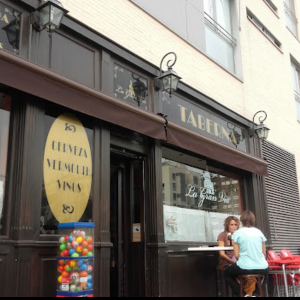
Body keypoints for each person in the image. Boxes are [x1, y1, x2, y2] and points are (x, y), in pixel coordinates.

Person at [224, 210, 270, 297]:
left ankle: (244, 294)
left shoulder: (237, 233)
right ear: (253, 220)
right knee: (267, 272)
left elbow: (237, 255)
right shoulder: (259, 232)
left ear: (241, 221)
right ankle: (256, 294)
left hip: (244, 267)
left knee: (227, 273)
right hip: (262, 267)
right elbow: (264, 253)